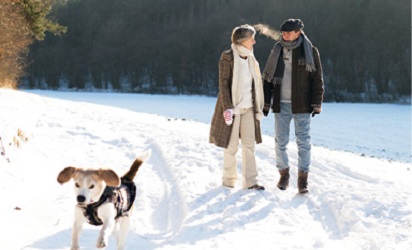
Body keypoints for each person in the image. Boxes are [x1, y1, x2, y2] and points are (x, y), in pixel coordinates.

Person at [262, 19, 324, 193]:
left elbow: (317, 79)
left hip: (302, 105)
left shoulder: (310, 51)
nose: (284, 35)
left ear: (298, 32)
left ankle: (303, 180)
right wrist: (266, 103)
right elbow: (266, 79)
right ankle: (284, 175)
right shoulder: (277, 50)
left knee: (303, 142)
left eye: (288, 32)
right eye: (283, 32)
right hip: (280, 105)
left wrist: (316, 102)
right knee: (280, 142)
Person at [209, 24, 265, 190]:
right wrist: (227, 108)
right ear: (242, 41)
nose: (254, 42)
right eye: (251, 39)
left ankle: (251, 182)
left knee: (249, 145)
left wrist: (259, 106)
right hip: (233, 108)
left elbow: (256, 85)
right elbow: (223, 84)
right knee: (231, 146)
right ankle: (228, 181)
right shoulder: (228, 57)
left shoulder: (251, 59)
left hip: (249, 108)